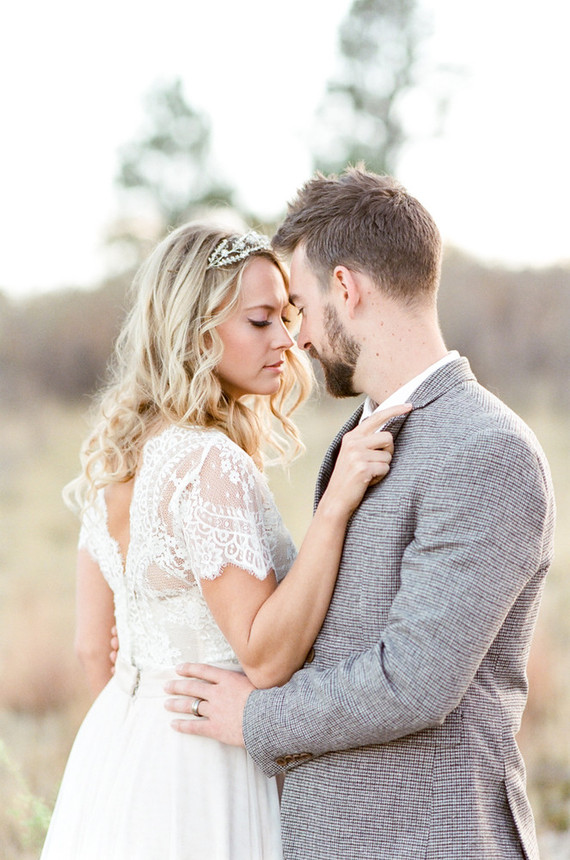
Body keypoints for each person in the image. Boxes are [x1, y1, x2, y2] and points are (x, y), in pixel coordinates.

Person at [165, 169, 556, 860]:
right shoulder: (360, 435)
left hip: (429, 840)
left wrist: (253, 716)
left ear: (345, 289)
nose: (298, 339)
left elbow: (413, 682)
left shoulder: (485, 448)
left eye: (299, 306)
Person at [40, 220, 410, 860]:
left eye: (287, 317)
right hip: (205, 766)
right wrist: (334, 508)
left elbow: (91, 649)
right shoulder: (207, 461)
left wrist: (141, 742)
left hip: (116, 757)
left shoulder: (116, 463)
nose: (287, 340)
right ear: (195, 331)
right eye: (260, 321)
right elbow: (263, 659)